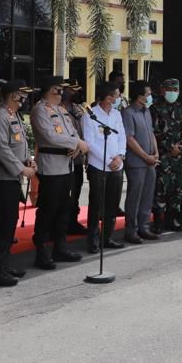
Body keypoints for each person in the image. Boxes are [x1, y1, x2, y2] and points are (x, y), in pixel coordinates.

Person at [0, 79, 35, 287]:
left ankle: (4, 263)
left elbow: (21, 142)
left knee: (8, 223)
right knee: (0, 224)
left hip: (11, 178)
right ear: (13, 95)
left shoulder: (14, 115)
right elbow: (0, 148)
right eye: (22, 95)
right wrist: (22, 169)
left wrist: (28, 158)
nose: (24, 99)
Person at [30, 77, 87, 270]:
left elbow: (73, 132)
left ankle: (60, 247)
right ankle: (41, 251)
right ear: (47, 91)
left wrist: (76, 147)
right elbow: (49, 136)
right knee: (48, 209)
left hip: (67, 164)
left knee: (64, 208)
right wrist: (76, 144)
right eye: (56, 90)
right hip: (51, 166)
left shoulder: (61, 110)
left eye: (61, 90)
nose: (60, 93)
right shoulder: (40, 110)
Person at [83, 83, 126, 253]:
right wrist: (108, 160)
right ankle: (92, 239)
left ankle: (107, 237)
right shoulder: (90, 115)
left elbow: (122, 135)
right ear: (109, 98)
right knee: (96, 205)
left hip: (117, 165)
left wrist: (120, 156)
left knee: (112, 203)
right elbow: (89, 142)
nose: (119, 99)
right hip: (98, 165)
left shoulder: (116, 114)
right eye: (117, 96)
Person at [121, 81, 158, 244]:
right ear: (140, 96)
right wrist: (145, 156)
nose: (150, 96)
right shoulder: (128, 113)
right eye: (148, 94)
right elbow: (129, 139)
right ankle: (131, 230)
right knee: (134, 197)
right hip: (137, 162)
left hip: (150, 160)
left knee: (147, 195)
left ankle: (144, 226)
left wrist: (155, 152)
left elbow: (151, 134)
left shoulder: (147, 111)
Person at [151, 78, 182, 233]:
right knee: (160, 188)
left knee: (177, 188)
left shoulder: (181, 107)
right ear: (162, 90)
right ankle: (158, 222)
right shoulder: (155, 108)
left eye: (175, 90)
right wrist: (169, 147)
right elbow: (154, 132)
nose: (172, 93)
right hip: (162, 155)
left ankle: (172, 219)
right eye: (169, 90)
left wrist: (179, 145)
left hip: (178, 156)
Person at [63, 80, 88, 237]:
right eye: (72, 90)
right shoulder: (58, 109)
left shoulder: (78, 108)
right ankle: (62, 224)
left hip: (78, 159)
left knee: (76, 193)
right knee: (65, 195)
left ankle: (73, 221)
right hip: (65, 158)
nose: (75, 93)